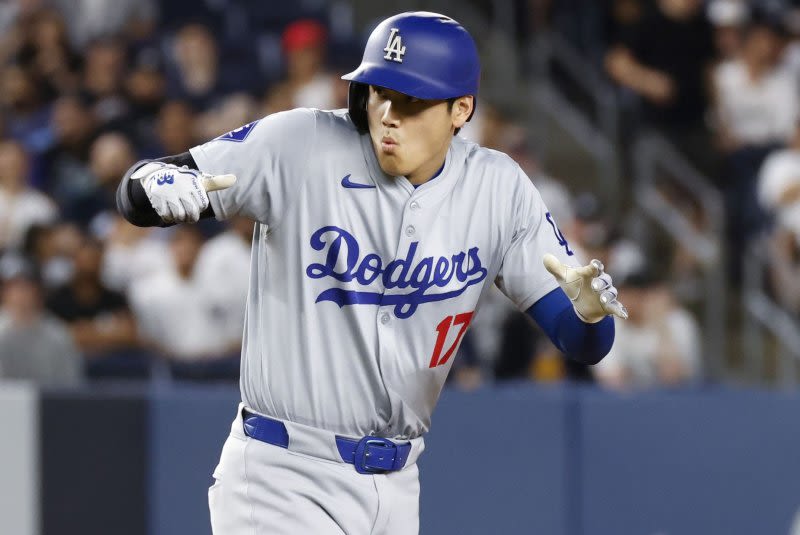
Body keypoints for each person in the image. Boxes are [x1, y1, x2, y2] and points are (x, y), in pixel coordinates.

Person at [115, 12, 628, 534]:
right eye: (380, 92)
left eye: (412, 100)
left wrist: (590, 316)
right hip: (281, 475)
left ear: (462, 109)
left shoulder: (498, 189)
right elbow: (143, 187)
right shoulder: (302, 142)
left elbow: (584, 342)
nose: (388, 113)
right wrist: (151, 184)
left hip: (398, 486)